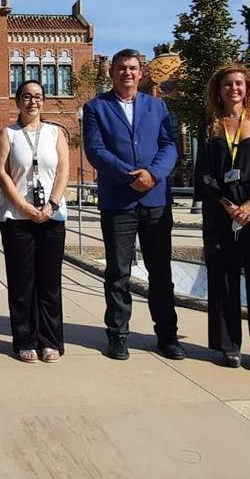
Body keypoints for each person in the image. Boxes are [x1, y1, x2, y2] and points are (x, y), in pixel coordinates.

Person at [82, 48, 185, 361]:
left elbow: (170, 146)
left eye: (133, 68)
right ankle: (118, 335)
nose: (127, 73)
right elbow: (96, 151)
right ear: (111, 73)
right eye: (121, 68)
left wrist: (152, 175)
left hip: (155, 201)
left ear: (141, 73)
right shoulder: (95, 108)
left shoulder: (158, 107)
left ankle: (167, 336)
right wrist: (131, 177)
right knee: (118, 272)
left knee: (160, 272)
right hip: (119, 203)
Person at [194, 65, 250, 371]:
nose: (234, 89)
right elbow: (203, 172)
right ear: (218, 90)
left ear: (248, 88)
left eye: (239, 84)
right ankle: (228, 345)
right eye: (227, 84)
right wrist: (226, 203)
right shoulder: (210, 125)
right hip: (222, 211)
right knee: (224, 280)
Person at [0, 80, 69, 363]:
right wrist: (23, 205)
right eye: (26, 96)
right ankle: (25, 340)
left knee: (50, 283)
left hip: (51, 216)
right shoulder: (8, 134)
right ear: (18, 101)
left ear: (44, 101)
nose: (32, 102)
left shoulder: (55, 133)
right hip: (17, 217)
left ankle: (50, 340)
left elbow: (63, 169)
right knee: (22, 283)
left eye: (37, 96)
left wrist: (52, 204)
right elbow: (1, 172)